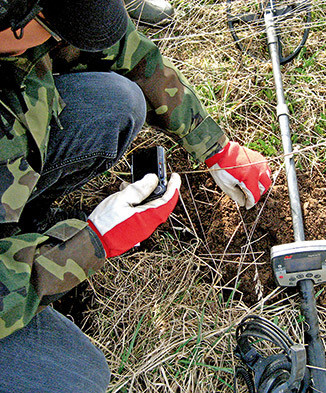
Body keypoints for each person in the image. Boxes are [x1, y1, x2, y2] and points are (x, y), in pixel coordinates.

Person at [0, 0, 272, 392]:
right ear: (16, 16)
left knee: (117, 101)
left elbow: (128, 51)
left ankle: (26, 219)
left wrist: (214, 146)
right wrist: (88, 244)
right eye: (55, 30)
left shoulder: (26, 25)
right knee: (77, 377)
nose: (60, 40)